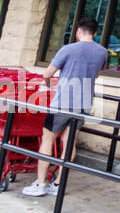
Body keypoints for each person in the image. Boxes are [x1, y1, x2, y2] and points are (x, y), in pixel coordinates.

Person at [22, 16, 108, 197]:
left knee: (47, 140)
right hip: (83, 104)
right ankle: (58, 184)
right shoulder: (102, 52)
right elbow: (98, 75)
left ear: (78, 31)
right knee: (69, 143)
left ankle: (40, 183)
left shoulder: (68, 49)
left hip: (62, 103)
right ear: (95, 33)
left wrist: (46, 83)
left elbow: (48, 73)